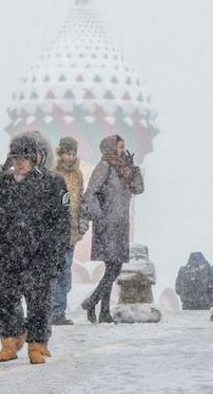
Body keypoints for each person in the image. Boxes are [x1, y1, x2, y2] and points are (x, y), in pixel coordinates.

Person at [0, 134, 68, 365]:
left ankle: (37, 345)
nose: (19, 163)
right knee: (5, 300)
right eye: (15, 158)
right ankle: (9, 344)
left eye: (24, 158)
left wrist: (55, 253)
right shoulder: (4, 183)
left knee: (38, 302)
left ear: (36, 158)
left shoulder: (53, 183)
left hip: (39, 255)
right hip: (8, 254)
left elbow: (61, 222)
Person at [81, 134, 143, 324]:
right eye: (120, 147)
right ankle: (94, 303)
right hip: (107, 224)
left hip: (121, 224)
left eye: (124, 146)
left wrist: (134, 169)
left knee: (113, 267)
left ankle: (102, 310)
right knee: (113, 267)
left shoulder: (125, 168)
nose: (123, 150)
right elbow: (90, 193)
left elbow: (139, 188)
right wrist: (99, 215)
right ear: (111, 148)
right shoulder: (104, 166)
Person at [49, 137, 88, 325]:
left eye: (73, 154)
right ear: (60, 153)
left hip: (71, 232)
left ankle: (59, 311)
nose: (70, 157)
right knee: (55, 272)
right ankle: (53, 311)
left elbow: (80, 200)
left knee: (65, 273)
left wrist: (81, 225)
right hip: (55, 231)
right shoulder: (53, 174)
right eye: (67, 153)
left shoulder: (78, 175)